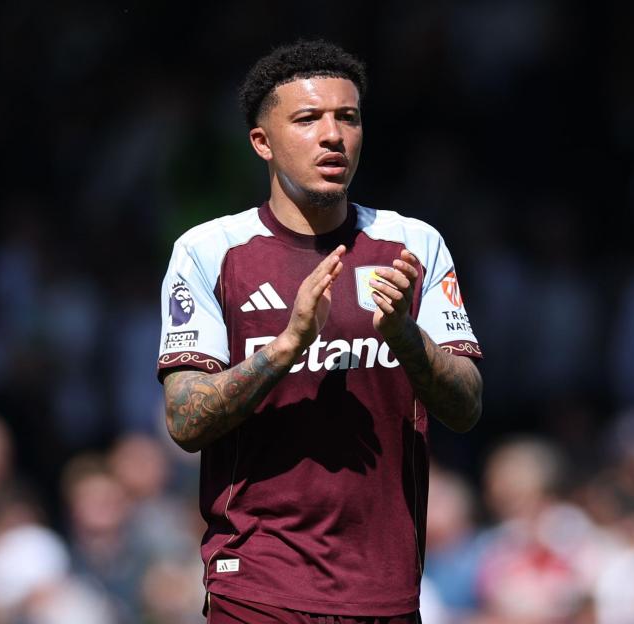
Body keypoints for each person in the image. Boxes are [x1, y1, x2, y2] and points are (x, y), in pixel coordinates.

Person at [156, 39, 483, 623]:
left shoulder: (413, 244)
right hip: (256, 583)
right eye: (307, 119)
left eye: (348, 117)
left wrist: (408, 339)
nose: (333, 135)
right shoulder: (209, 251)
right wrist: (286, 347)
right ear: (263, 142)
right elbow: (184, 420)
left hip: (386, 589)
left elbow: (466, 406)